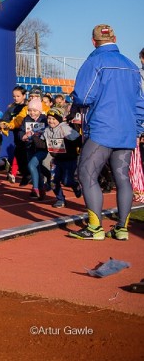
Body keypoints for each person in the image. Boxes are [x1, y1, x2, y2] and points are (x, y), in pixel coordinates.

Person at [68, 24, 144, 241]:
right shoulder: (131, 66)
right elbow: (140, 103)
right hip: (127, 130)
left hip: (102, 128)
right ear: (115, 38)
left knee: (86, 173)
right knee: (122, 177)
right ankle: (121, 228)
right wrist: (138, 128)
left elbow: (84, 96)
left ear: (93, 41)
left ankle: (95, 228)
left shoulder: (94, 62)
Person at [44, 106, 82, 208]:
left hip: (69, 159)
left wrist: (74, 144)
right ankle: (60, 199)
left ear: (59, 119)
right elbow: (42, 140)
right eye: (49, 118)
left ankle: (75, 185)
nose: (51, 121)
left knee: (67, 181)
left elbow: (79, 139)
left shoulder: (65, 129)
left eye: (53, 119)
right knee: (53, 181)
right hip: (56, 160)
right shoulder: (47, 130)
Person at [19, 97, 49, 200]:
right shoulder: (26, 119)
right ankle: (41, 190)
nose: (32, 113)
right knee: (37, 168)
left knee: (32, 165)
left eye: (35, 110)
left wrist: (40, 134)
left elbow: (50, 130)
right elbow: (21, 131)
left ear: (40, 111)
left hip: (41, 147)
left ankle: (35, 188)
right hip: (29, 147)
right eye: (30, 110)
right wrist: (23, 136)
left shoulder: (45, 119)